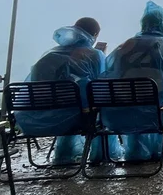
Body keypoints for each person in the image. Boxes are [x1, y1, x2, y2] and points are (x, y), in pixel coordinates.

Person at [104, 1, 163, 162]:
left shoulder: (122, 47)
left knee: (136, 106)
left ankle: (135, 151)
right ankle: (161, 149)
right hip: (158, 114)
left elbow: (107, 78)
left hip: (121, 113)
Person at [25, 17, 121, 165]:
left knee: (72, 106)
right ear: (94, 35)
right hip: (78, 120)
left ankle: (64, 155)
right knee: (100, 109)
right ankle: (102, 155)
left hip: (38, 118)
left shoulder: (48, 55)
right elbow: (100, 89)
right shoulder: (94, 56)